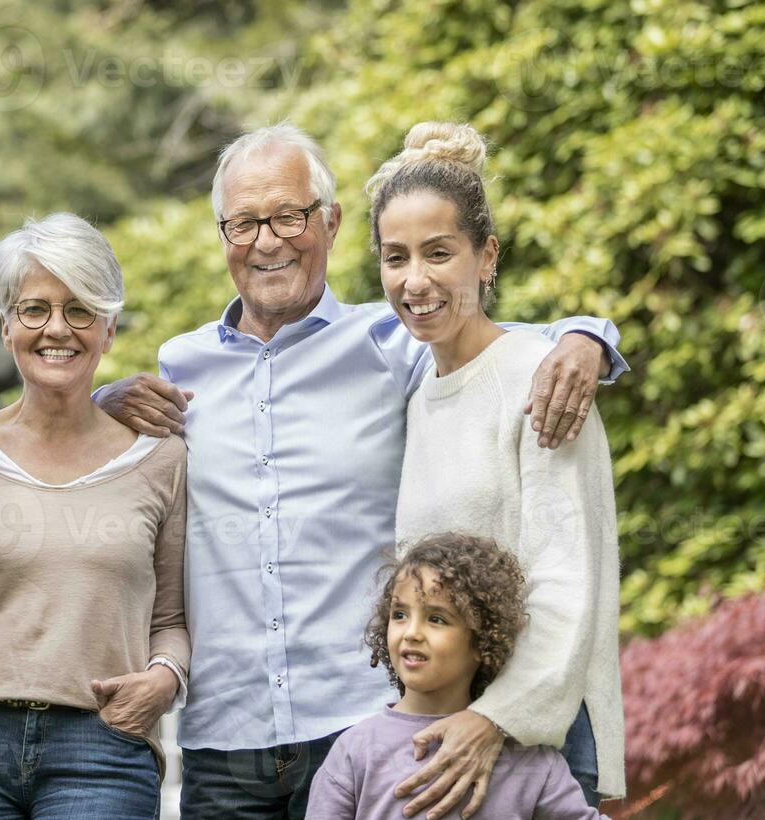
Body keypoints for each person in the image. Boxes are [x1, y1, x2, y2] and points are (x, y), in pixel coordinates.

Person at [94, 122, 629, 819]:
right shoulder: (178, 369)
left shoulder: (394, 344)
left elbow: (492, 348)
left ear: (331, 222)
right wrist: (101, 400)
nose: (268, 239)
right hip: (224, 737)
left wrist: (588, 336)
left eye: (289, 215)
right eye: (244, 222)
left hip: (368, 719)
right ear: (222, 234)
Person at [369, 122, 625, 811]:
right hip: (455, 730)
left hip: (543, 733)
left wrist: (496, 717)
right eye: (395, 258)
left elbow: (569, 580)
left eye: (439, 253)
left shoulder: (540, 378)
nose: (414, 281)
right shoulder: (420, 394)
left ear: (487, 257)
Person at [0, 214, 189, 820]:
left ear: (108, 330)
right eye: (34, 309)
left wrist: (165, 680)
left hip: (103, 745)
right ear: (7, 328)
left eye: (80, 310)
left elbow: (171, 618)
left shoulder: (160, 459)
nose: (56, 328)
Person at [306, 534, 604, 819]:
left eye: (436, 619)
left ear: (481, 641)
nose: (411, 632)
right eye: (399, 614)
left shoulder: (532, 762)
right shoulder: (355, 750)